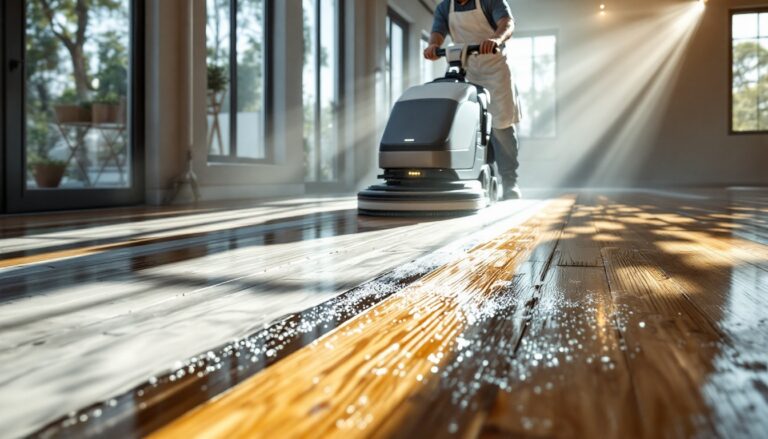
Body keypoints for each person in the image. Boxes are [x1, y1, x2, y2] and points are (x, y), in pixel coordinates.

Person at [425, 0, 522, 199]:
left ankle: (510, 181)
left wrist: (496, 38)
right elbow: (438, 33)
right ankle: (472, 177)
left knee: (501, 127)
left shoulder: (490, 1)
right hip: (464, 69)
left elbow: (507, 23)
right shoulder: (445, 7)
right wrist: (433, 45)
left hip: (494, 70)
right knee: (466, 127)